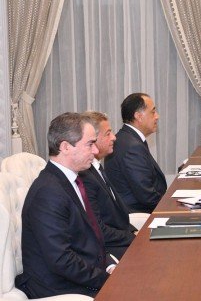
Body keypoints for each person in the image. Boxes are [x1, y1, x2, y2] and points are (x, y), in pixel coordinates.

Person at [16, 112, 115, 298]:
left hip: (82, 275)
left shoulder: (73, 180)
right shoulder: (48, 192)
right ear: (65, 147)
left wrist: (109, 264)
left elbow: (90, 236)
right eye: (90, 144)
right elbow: (61, 260)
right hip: (60, 288)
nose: (95, 151)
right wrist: (107, 279)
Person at [80, 111, 137, 260]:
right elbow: (98, 229)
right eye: (108, 133)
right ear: (93, 139)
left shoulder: (97, 167)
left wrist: (133, 232)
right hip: (108, 249)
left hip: (120, 239)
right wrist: (133, 238)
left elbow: (117, 215)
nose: (114, 137)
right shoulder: (85, 177)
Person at [105, 93, 167, 213]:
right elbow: (147, 196)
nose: (157, 116)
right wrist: (171, 206)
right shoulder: (131, 146)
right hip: (138, 213)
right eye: (153, 112)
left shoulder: (128, 138)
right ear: (138, 116)